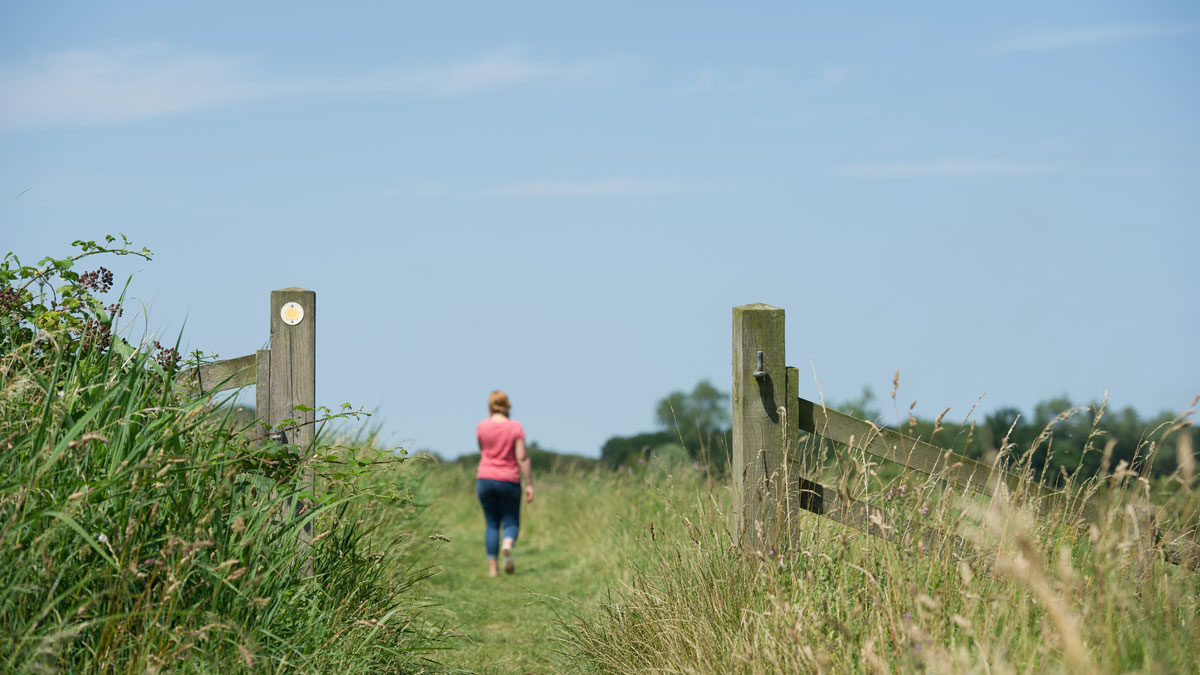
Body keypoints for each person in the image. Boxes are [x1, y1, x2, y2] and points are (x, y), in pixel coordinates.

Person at [475, 390, 533, 577]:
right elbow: (521, 457)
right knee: (511, 523)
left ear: (490, 406)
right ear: (508, 405)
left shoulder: (482, 426)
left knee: (491, 524)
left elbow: (482, 449)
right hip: (509, 479)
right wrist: (529, 484)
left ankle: (493, 569)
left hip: (485, 478)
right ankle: (507, 545)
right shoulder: (516, 427)